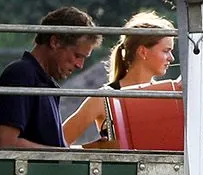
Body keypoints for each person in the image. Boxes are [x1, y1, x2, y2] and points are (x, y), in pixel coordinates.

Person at [0, 7, 100, 149]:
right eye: (77, 55)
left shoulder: (43, 82)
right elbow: (4, 142)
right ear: (55, 42)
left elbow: (53, 146)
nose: (80, 65)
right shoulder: (21, 75)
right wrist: (62, 154)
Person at [61, 11, 177, 147]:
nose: (171, 58)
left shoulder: (168, 95)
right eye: (166, 51)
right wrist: (95, 149)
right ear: (143, 52)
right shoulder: (102, 99)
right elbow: (58, 142)